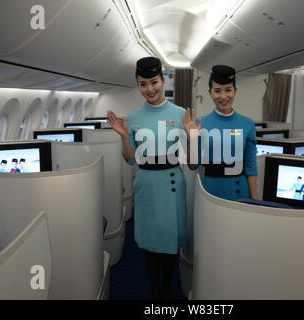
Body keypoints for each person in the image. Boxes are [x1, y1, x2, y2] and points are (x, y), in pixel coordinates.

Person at [107, 57, 187, 300]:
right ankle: (156, 292)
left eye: (154, 82)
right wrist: (123, 136)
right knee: (151, 244)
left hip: (173, 182)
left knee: (170, 243)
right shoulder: (133, 118)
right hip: (147, 184)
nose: (149, 89)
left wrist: (193, 137)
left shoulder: (180, 113)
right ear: (138, 85)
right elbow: (130, 160)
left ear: (163, 80)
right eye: (143, 84)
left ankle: (166, 288)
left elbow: (192, 160)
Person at [183, 65, 258, 201]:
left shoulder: (247, 124)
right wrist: (192, 138)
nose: (223, 97)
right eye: (217, 91)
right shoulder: (200, 123)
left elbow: (251, 166)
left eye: (228, 90)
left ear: (235, 91)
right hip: (210, 190)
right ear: (210, 92)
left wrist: (255, 200)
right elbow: (192, 165)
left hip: (239, 190)